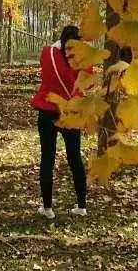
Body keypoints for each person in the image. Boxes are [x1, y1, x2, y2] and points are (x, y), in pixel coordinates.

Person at [30, 24, 87, 219]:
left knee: (47, 158)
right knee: (75, 159)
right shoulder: (81, 59)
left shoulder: (48, 53)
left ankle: (47, 208)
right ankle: (81, 205)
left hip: (47, 111)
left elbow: (45, 67)